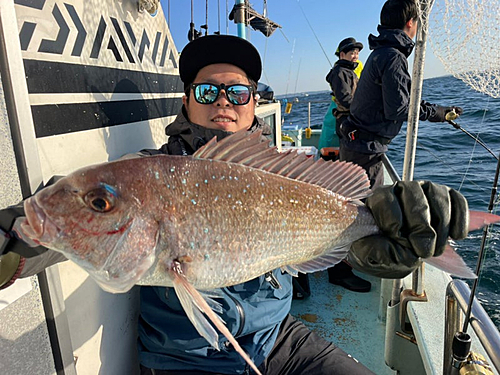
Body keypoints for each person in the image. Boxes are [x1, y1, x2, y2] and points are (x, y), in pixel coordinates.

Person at [0, 34, 471, 375]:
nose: (223, 100)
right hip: (184, 361)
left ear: (252, 104)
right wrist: (17, 235)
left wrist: (385, 227)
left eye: (238, 91)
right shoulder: (143, 171)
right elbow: (57, 223)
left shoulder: (280, 171)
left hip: (281, 342)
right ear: (187, 101)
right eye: (207, 91)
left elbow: (325, 240)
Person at [339, 0, 463, 190]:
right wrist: (436, 113)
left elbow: (401, 99)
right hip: (365, 152)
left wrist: (437, 111)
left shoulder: (381, 53)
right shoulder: (394, 57)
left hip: (357, 146)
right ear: (410, 23)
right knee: (366, 212)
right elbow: (398, 109)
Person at [323, 37, 372, 293]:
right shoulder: (341, 74)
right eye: (351, 52)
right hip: (352, 139)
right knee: (350, 203)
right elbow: (348, 101)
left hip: (354, 137)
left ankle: (346, 264)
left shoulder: (348, 72)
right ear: (341, 53)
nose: (355, 56)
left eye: (356, 52)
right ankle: (339, 270)